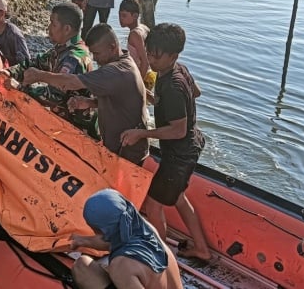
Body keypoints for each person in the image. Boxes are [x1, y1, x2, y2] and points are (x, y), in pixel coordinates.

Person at [120, 23, 211, 263]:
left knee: (153, 203)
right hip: (192, 143)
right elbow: (197, 93)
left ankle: (159, 256)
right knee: (179, 197)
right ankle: (202, 248)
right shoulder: (178, 71)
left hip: (180, 152)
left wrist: (142, 134)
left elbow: (178, 130)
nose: (150, 59)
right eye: (148, 53)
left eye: (156, 56)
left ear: (173, 55)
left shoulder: (172, 85)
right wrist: (151, 97)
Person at [22, 23, 148, 165]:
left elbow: (71, 82)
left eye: (97, 53)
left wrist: (39, 75)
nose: (94, 59)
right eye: (92, 53)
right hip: (118, 148)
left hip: (128, 154)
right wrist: (89, 102)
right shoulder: (124, 61)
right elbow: (119, 100)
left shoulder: (116, 71)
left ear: (112, 47)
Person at [4, 1, 94, 132]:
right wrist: (9, 72)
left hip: (76, 130)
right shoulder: (62, 48)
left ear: (67, 29)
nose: (49, 28)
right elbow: (36, 62)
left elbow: (54, 96)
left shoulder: (74, 58)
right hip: (61, 123)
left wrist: (19, 88)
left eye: (53, 23)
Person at [70, 188, 183, 289]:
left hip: (125, 272)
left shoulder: (121, 266)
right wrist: (84, 241)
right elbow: (117, 241)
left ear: (102, 231)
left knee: (82, 267)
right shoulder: (144, 228)